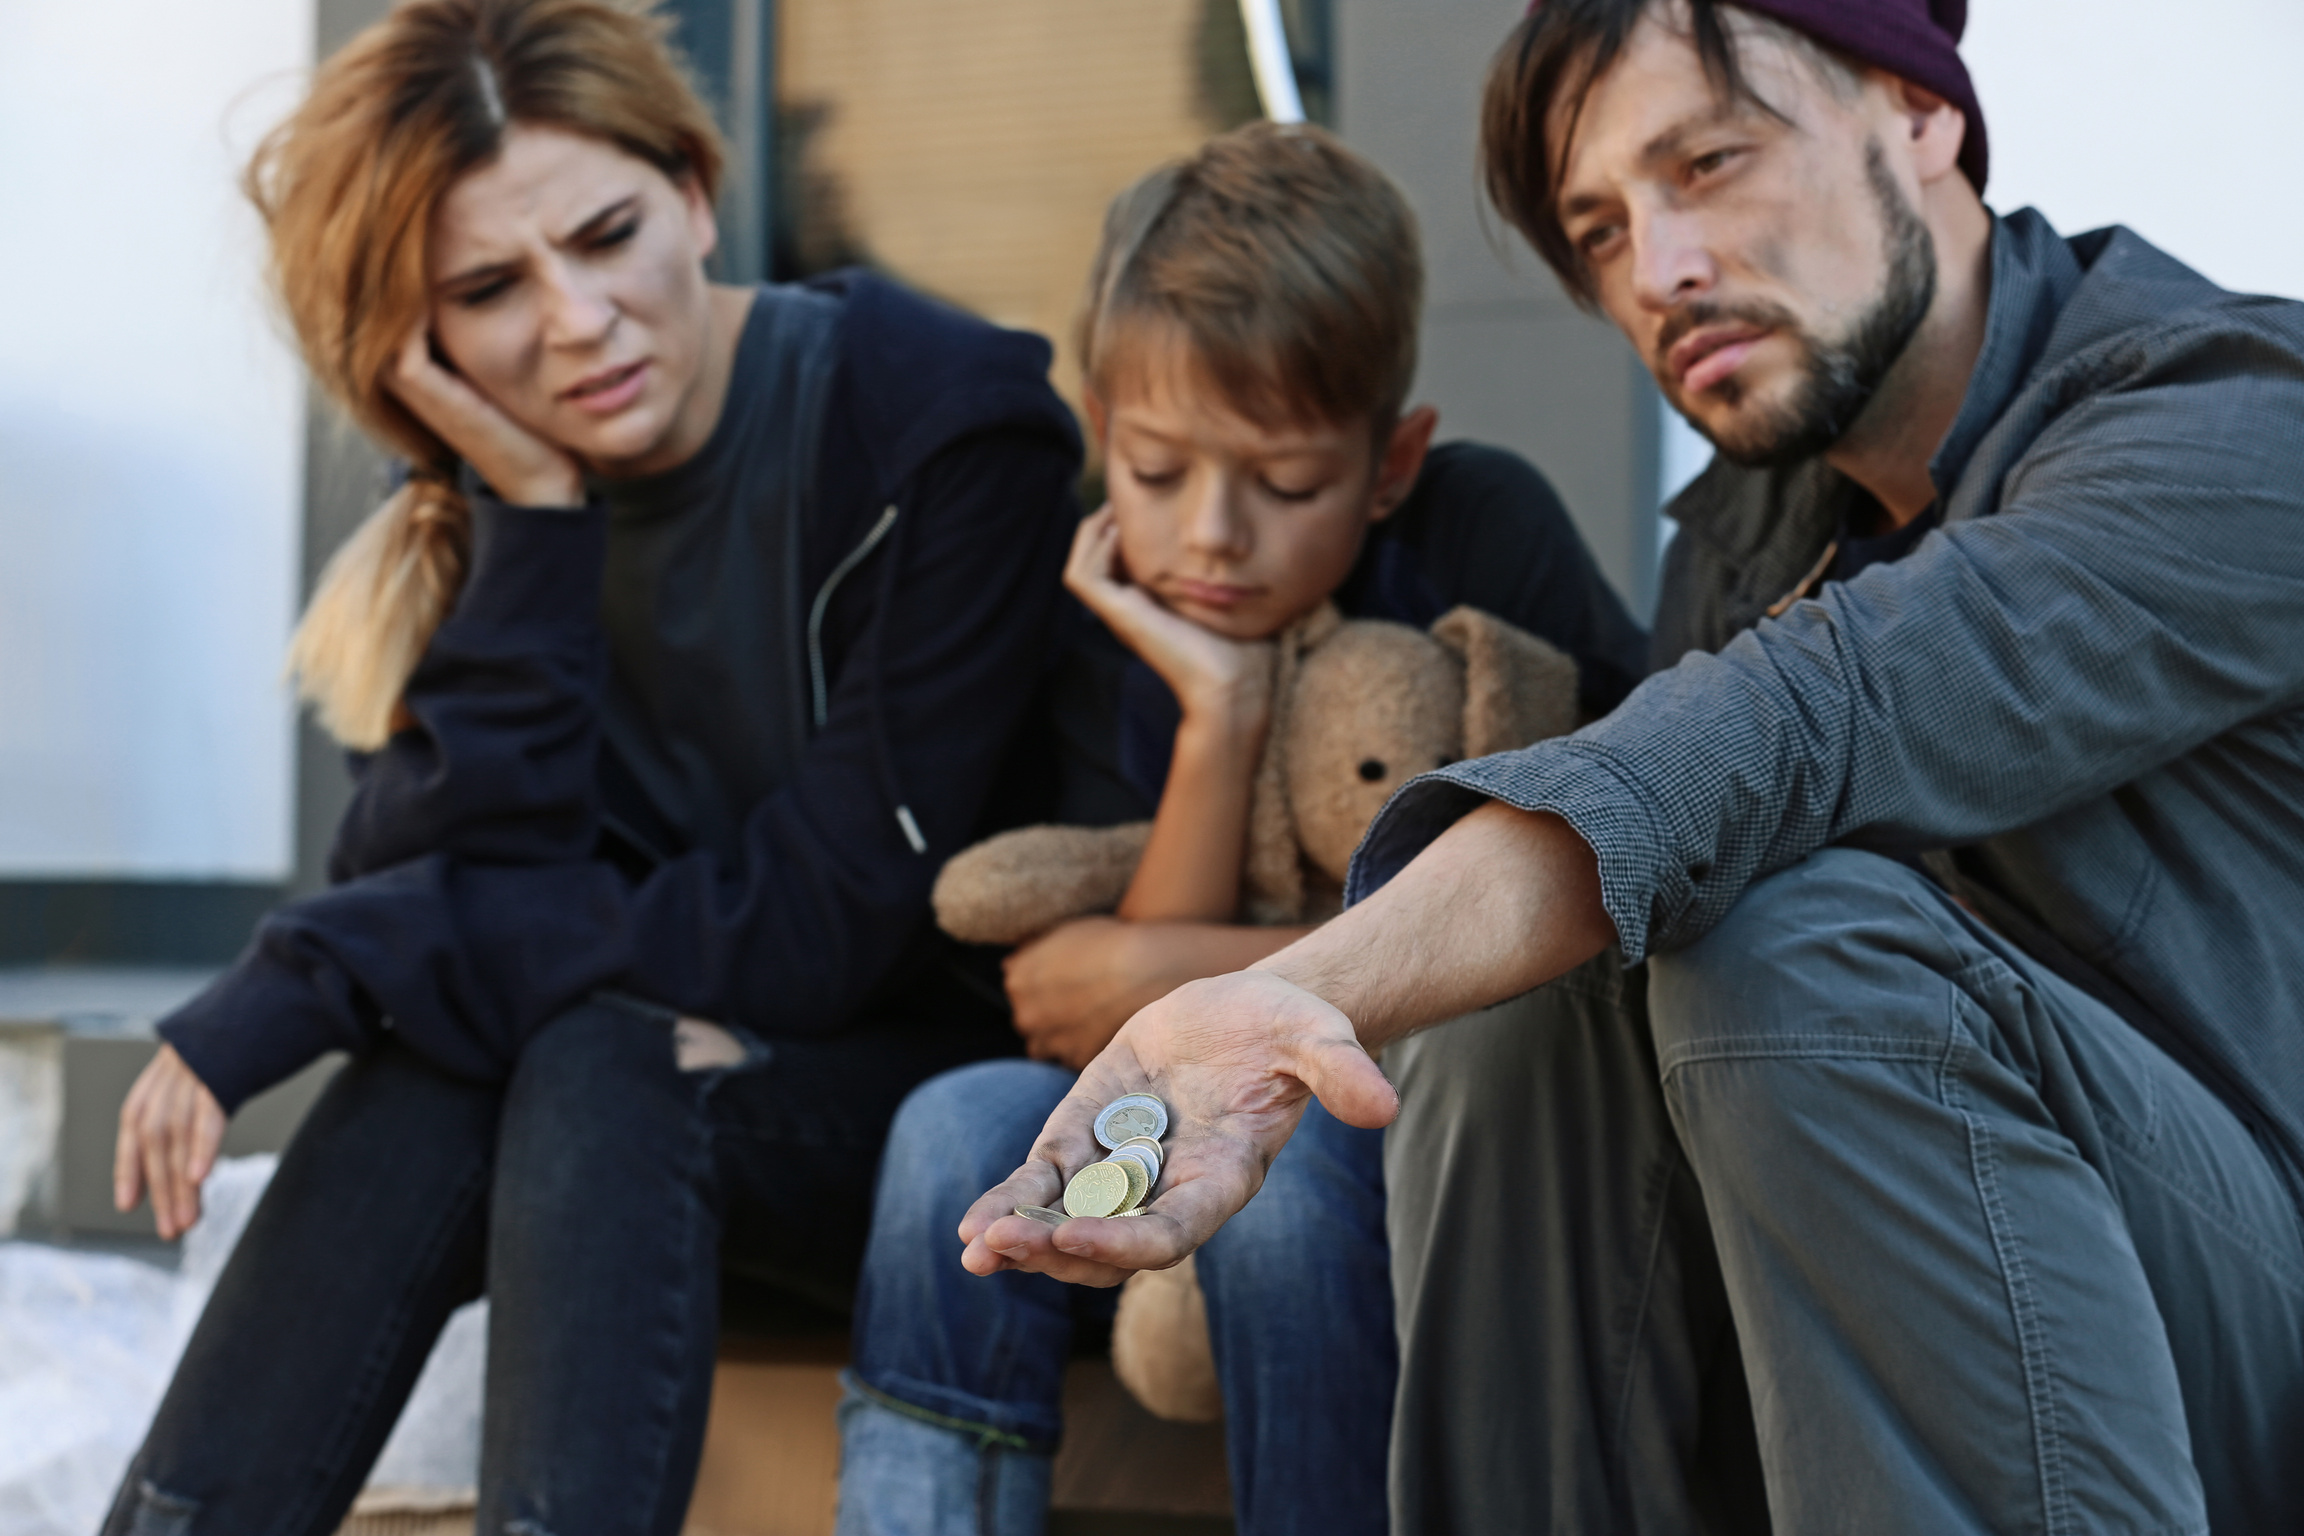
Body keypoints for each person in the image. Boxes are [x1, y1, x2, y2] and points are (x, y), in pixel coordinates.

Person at [963, 1, 2304, 1532]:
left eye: (1712, 162)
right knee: (1541, 988)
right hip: (1891, 1346)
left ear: (1920, 114)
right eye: (1599, 227)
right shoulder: (1755, 535)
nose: (1659, 271)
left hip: (2251, 1321)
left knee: (1784, 941)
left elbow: (1822, 714)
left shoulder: (2233, 419)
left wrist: (1307, 986)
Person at [101, 1, 1079, 1531]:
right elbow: (442, 898)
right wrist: (537, 530)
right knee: (481, 1061)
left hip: (955, 1117)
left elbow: (819, 932)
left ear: (695, 192)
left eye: (607, 234)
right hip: (622, 1117)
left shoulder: (940, 427)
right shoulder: (495, 513)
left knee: (598, 1051)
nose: (575, 320)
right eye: (490, 289)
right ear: (420, 351)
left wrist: (305, 974)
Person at [835, 123, 1649, 1536]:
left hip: (1428, 1105)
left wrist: (1201, 964)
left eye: (1283, 488)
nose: (1211, 538)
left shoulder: (1482, 534)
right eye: (1157, 474)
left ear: (1392, 465)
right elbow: (1078, 1015)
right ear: (1102, 431)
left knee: (1297, 1154)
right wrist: (1215, 717)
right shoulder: (1091, 620)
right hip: (1176, 1112)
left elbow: (1598, 850)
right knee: (949, 1125)